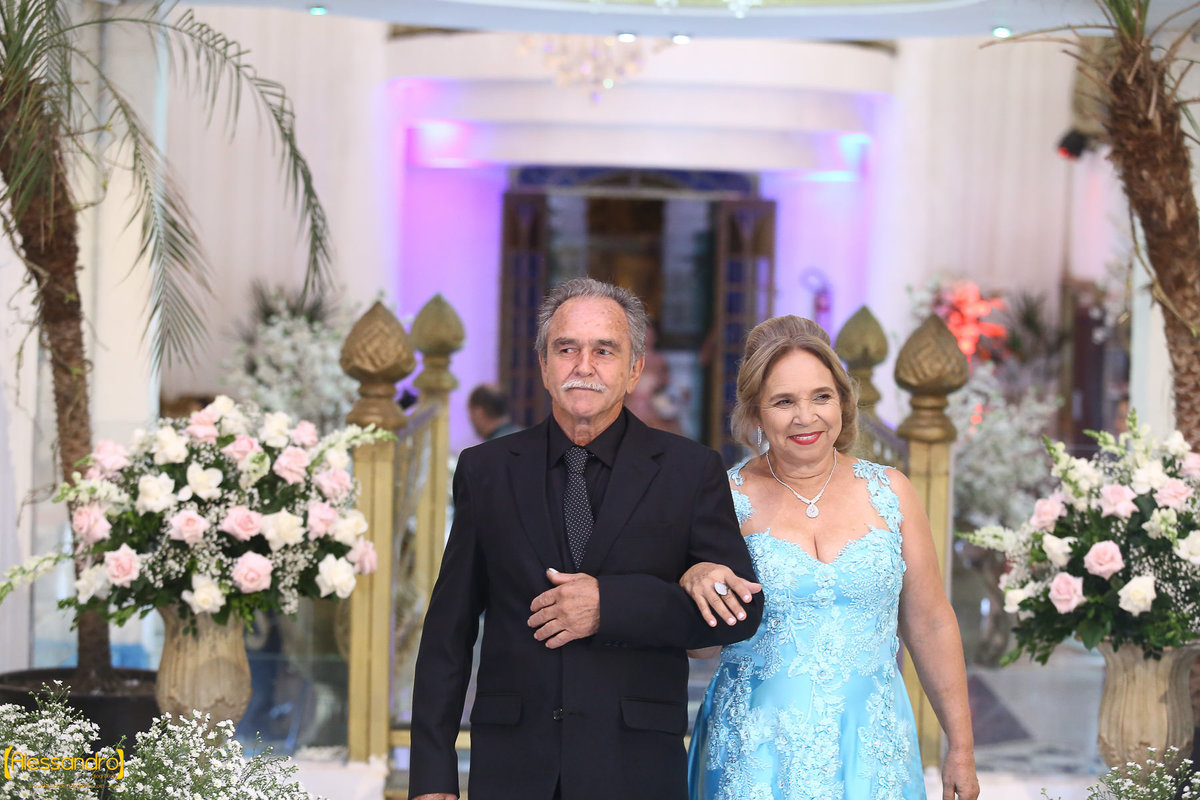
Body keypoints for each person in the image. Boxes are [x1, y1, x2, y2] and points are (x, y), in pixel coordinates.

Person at [408, 277, 764, 800]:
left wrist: (610, 606)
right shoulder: (486, 470)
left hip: (636, 767)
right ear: (544, 365)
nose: (584, 365)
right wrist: (431, 775)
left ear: (634, 368)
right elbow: (449, 630)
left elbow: (740, 613)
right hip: (512, 767)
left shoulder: (690, 470)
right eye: (566, 348)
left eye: (604, 350)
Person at [682, 315, 979, 800]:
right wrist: (694, 579)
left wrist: (961, 749)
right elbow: (701, 649)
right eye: (784, 401)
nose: (806, 417)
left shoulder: (892, 491)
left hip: (872, 751)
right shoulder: (722, 498)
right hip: (755, 755)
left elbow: (930, 623)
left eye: (821, 396)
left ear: (843, 401)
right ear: (755, 413)